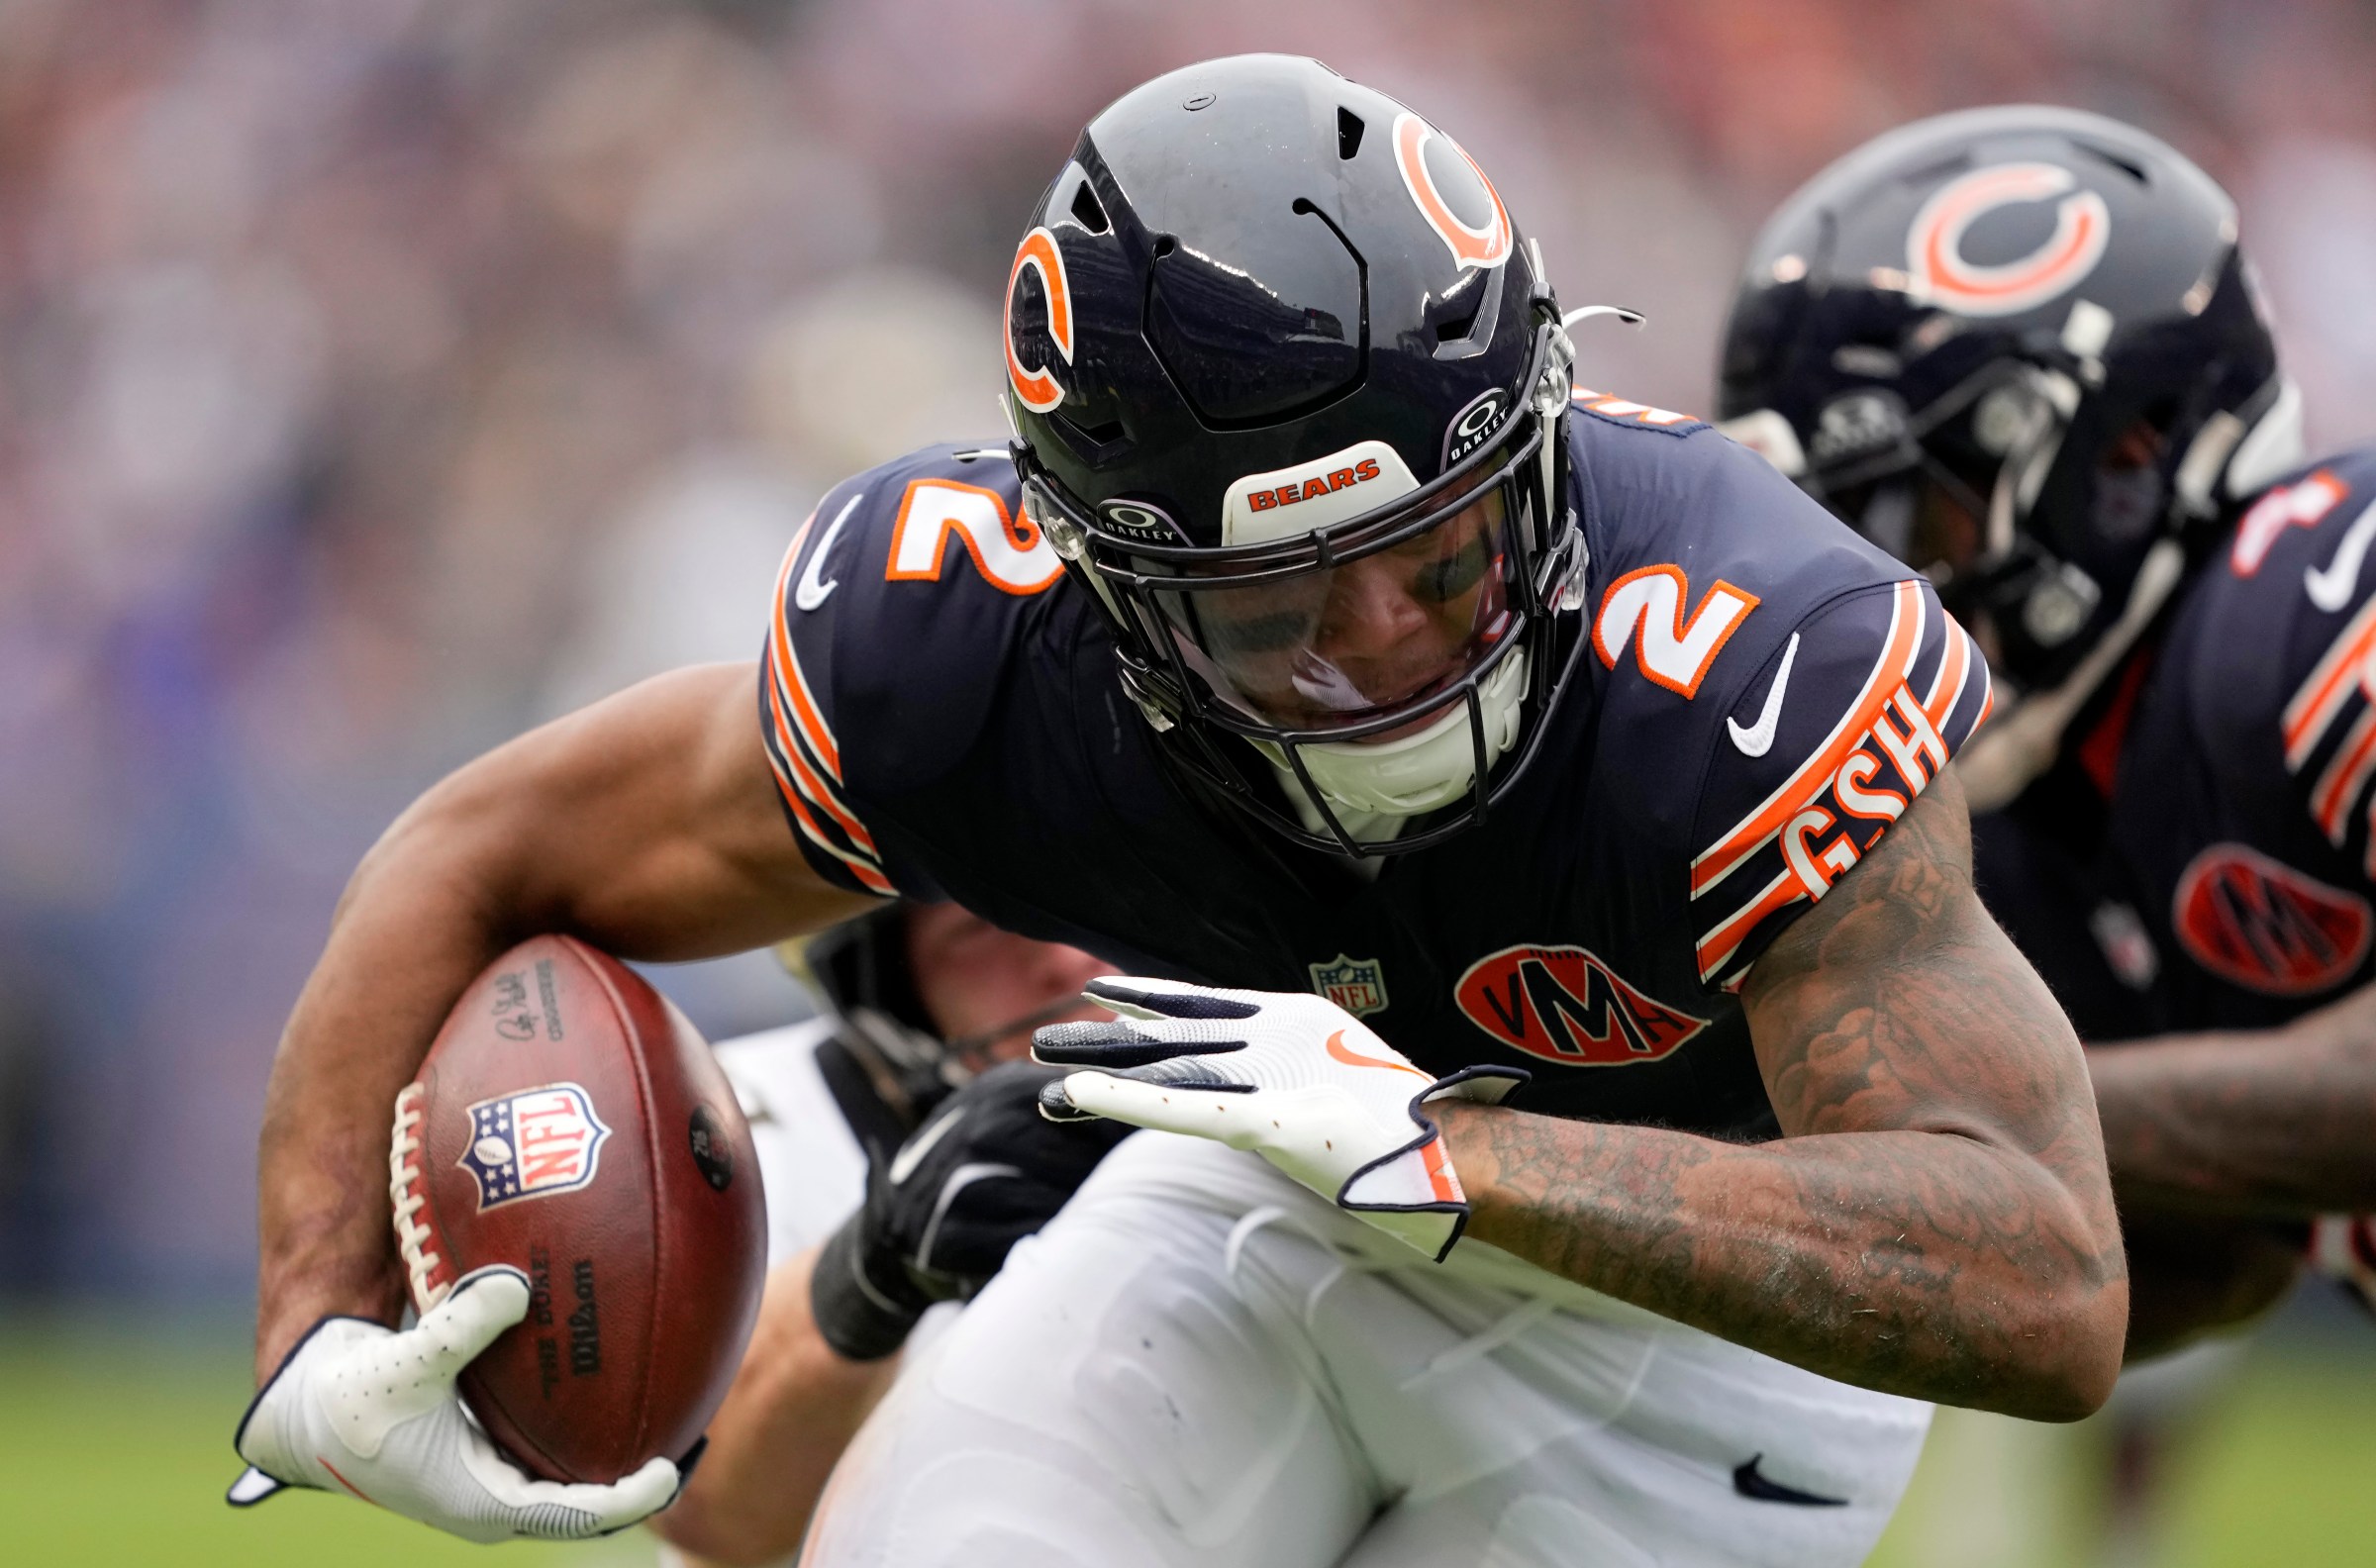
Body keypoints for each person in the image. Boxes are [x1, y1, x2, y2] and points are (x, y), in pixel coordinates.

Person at [233, 56, 2126, 1566]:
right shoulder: (961, 638)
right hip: (1265, 1197)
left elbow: (2041, 1266)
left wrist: (1440, 1149)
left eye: (1448, 557)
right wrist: (311, 1316)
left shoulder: (1750, 654)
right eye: (1282, 606)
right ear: (1110, 579)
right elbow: (477, 848)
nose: (1389, 645)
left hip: (1702, 1367)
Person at [1713, 103, 2365, 1563]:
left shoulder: (2317, 596)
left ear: (2126, 448)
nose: (1875, 593)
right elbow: (2210, 1259)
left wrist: (1974, 1139)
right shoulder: (2044, 812)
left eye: (1906, 517)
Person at [644, 902, 1126, 1567]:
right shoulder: (722, 1123)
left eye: (1084, 884)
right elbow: (707, 1514)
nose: (1071, 957)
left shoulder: (1281, 1058)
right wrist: (867, 1273)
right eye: (985, 925)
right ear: (881, 983)